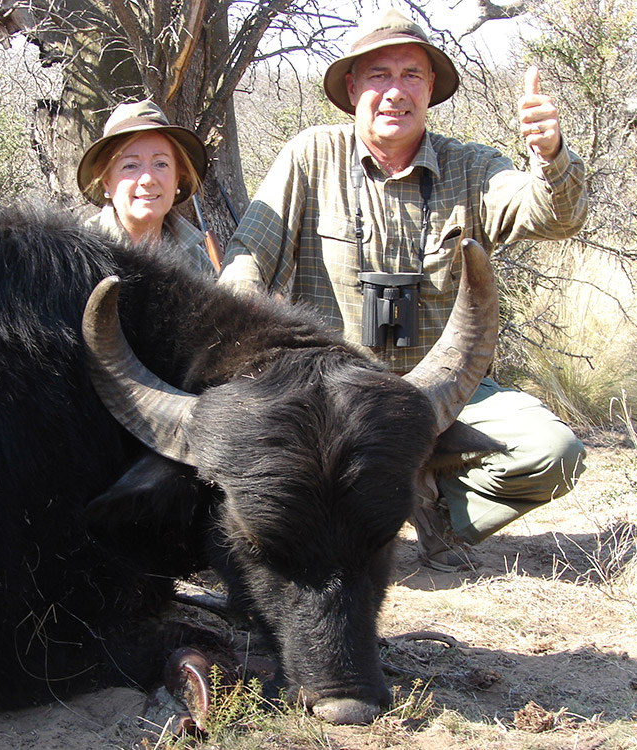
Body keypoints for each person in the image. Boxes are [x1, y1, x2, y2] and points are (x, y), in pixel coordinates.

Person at [219, 8, 588, 572]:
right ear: (352, 88)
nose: (396, 91)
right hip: (338, 399)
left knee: (553, 452)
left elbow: (555, 216)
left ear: (431, 87)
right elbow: (248, 256)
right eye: (379, 75)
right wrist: (248, 334)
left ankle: (438, 513)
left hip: (443, 396)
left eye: (411, 74)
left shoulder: (472, 167)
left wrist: (550, 156)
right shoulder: (311, 155)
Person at [77, 99, 215, 275]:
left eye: (161, 164)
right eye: (130, 166)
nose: (148, 179)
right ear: (107, 183)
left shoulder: (195, 259)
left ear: (177, 179)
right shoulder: (79, 254)